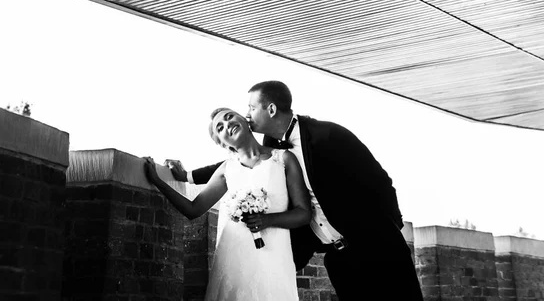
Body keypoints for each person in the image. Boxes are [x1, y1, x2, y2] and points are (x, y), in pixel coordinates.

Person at [168, 81, 424, 301]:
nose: (247, 114)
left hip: (377, 248)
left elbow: (379, 181)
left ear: (270, 109)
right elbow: (243, 161)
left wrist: (388, 234)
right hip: (339, 259)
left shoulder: (328, 135)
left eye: (251, 108)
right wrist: (188, 176)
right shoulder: (273, 147)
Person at [143, 107, 311, 301]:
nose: (228, 124)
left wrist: (267, 220)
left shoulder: (283, 158)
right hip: (233, 258)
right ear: (223, 144)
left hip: (273, 256)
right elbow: (193, 209)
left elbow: (304, 213)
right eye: (220, 128)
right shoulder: (227, 169)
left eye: (229, 117)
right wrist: (157, 181)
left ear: (244, 120)